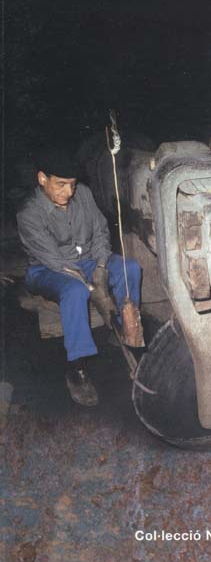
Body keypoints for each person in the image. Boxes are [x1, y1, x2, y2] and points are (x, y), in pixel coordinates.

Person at [16, 149, 142, 407]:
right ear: (42, 179)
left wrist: (102, 267)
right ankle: (77, 367)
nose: (68, 192)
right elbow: (54, 260)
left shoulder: (83, 194)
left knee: (130, 268)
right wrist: (93, 287)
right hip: (47, 269)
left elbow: (100, 232)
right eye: (60, 185)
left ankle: (124, 331)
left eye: (72, 184)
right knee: (75, 291)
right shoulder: (28, 214)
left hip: (87, 261)